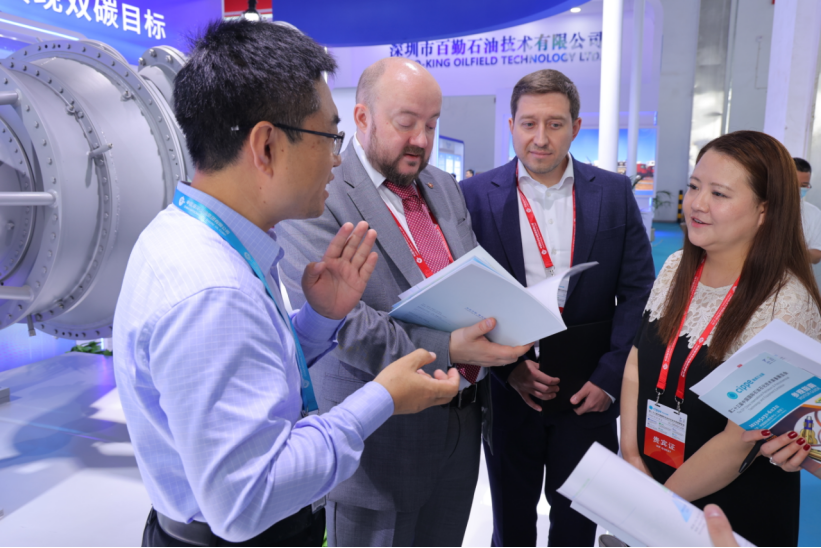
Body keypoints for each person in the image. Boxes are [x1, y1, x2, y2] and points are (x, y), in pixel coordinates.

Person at [112, 21, 461, 548]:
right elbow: (247, 500)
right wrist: (381, 398)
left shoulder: (195, 237)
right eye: (329, 137)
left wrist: (318, 320)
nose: (338, 158)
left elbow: (251, 375)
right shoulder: (214, 291)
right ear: (267, 145)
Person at [277, 58, 531, 547]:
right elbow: (342, 323)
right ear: (362, 118)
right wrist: (449, 348)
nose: (421, 139)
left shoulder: (443, 187)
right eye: (406, 122)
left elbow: (468, 281)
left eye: (431, 125)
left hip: (460, 428)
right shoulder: (319, 193)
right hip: (379, 442)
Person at [460, 69, 655, 547]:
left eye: (555, 124)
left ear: (576, 126)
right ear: (511, 126)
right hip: (511, 389)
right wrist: (508, 370)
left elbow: (638, 291)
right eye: (528, 124)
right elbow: (465, 293)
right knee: (511, 523)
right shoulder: (474, 196)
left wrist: (609, 378)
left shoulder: (613, 193)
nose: (541, 138)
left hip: (588, 391)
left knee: (577, 524)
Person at [621, 131, 821, 547]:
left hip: (730, 505)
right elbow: (638, 361)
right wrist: (632, 456)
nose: (697, 203)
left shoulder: (784, 302)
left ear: (765, 210)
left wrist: (654, 507)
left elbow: (738, 440)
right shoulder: (676, 266)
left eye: (719, 193)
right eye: (695, 186)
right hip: (651, 475)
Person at [795, 158, 821, 265]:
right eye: (794, 184)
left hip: (797, 274)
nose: (798, 189)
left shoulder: (814, 213)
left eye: (804, 186)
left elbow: (817, 254)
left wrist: (790, 254)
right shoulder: (764, 208)